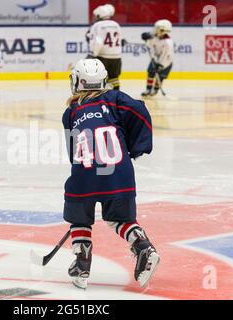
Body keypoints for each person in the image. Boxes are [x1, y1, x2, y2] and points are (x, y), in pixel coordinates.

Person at [62, 59, 159, 289]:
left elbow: (73, 151)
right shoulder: (116, 100)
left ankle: (81, 263)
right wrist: (135, 148)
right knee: (120, 219)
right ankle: (143, 247)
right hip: (119, 171)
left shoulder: (71, 112)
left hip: (84, 173)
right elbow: (141, 112)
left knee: (79, 215)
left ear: (77, 82)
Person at [87, 4, 122, 90]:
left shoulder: (97, 25)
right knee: (114, 78)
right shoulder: (116, 24)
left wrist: (93, 54)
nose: (94, 17)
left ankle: (101, 99)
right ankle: (116, 96)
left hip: (103, 56)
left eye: (95, 16)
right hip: (117, 57)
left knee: (99, 78)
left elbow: (98, 42)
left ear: (99, 15)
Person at [141, 19, 174, 97]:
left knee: (160, 76)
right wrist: (146, 38)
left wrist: (160, 65)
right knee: (150, 73)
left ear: (163, 30)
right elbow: (150, 44)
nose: (155, 30)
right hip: (156, 59)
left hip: (166, 62)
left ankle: (155, 90)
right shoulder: (156, 37)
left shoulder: (168, 43)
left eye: (158, 29)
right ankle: (148, 89)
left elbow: (166, 56)